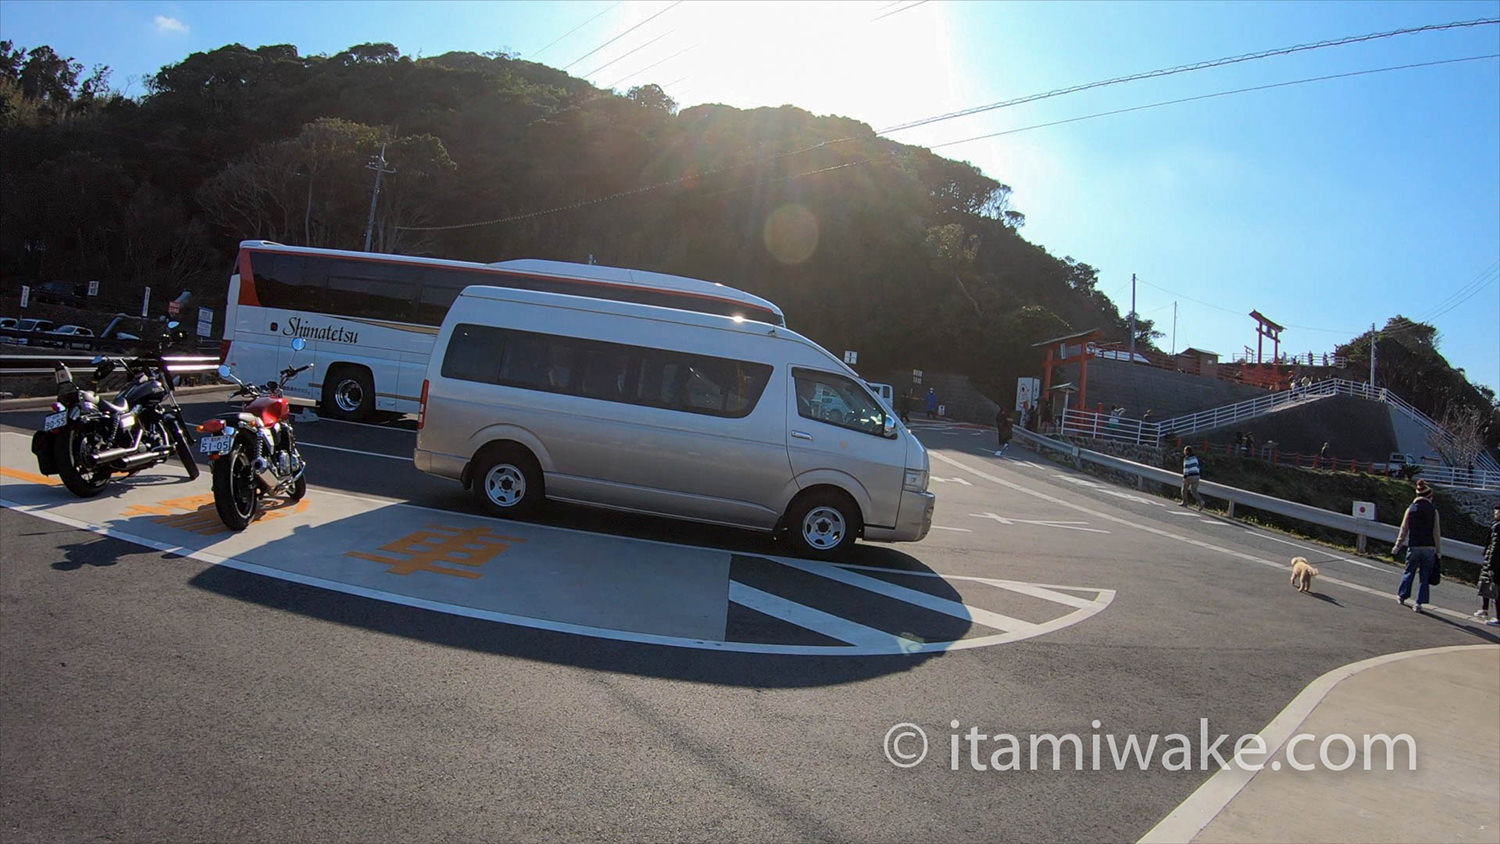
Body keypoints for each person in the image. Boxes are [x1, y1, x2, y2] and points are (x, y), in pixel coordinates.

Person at [1394, 479, 1443, 614]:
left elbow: (1404, 529)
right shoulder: (1434, 511)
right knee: (1424, 576)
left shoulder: (1411, 509)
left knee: (1409, 572)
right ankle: (1419, 603)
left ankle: (1402, 595)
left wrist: (1398, 545)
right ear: (1429, 496)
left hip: (1414, 546)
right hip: (1429, 548)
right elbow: (1436, 533)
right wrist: (1438, 551)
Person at [1473, 502, 1498, 625]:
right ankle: (1484, 609)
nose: (1495, 512)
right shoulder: (1495, 525)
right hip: (1490, 560)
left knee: (1495, 588)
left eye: (1497, 511)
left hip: (1494, 562)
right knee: (1485, 583)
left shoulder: (1498, 527)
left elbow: (1495, 546)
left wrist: (1491, 563)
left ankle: (1498, 617)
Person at [1180, 446, 1203, 511]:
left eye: (1184, 450)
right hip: (1197, 476)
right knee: (1194, 491)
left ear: (1187, 451)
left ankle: (1185, 502)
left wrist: (1185, 477)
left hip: (1190, 476)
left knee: (1184, 489)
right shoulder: (1195, 458)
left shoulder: (1186, 458)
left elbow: (1186, 468)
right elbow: (1198, 467)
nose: (1184, 452)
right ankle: (1201, 502)